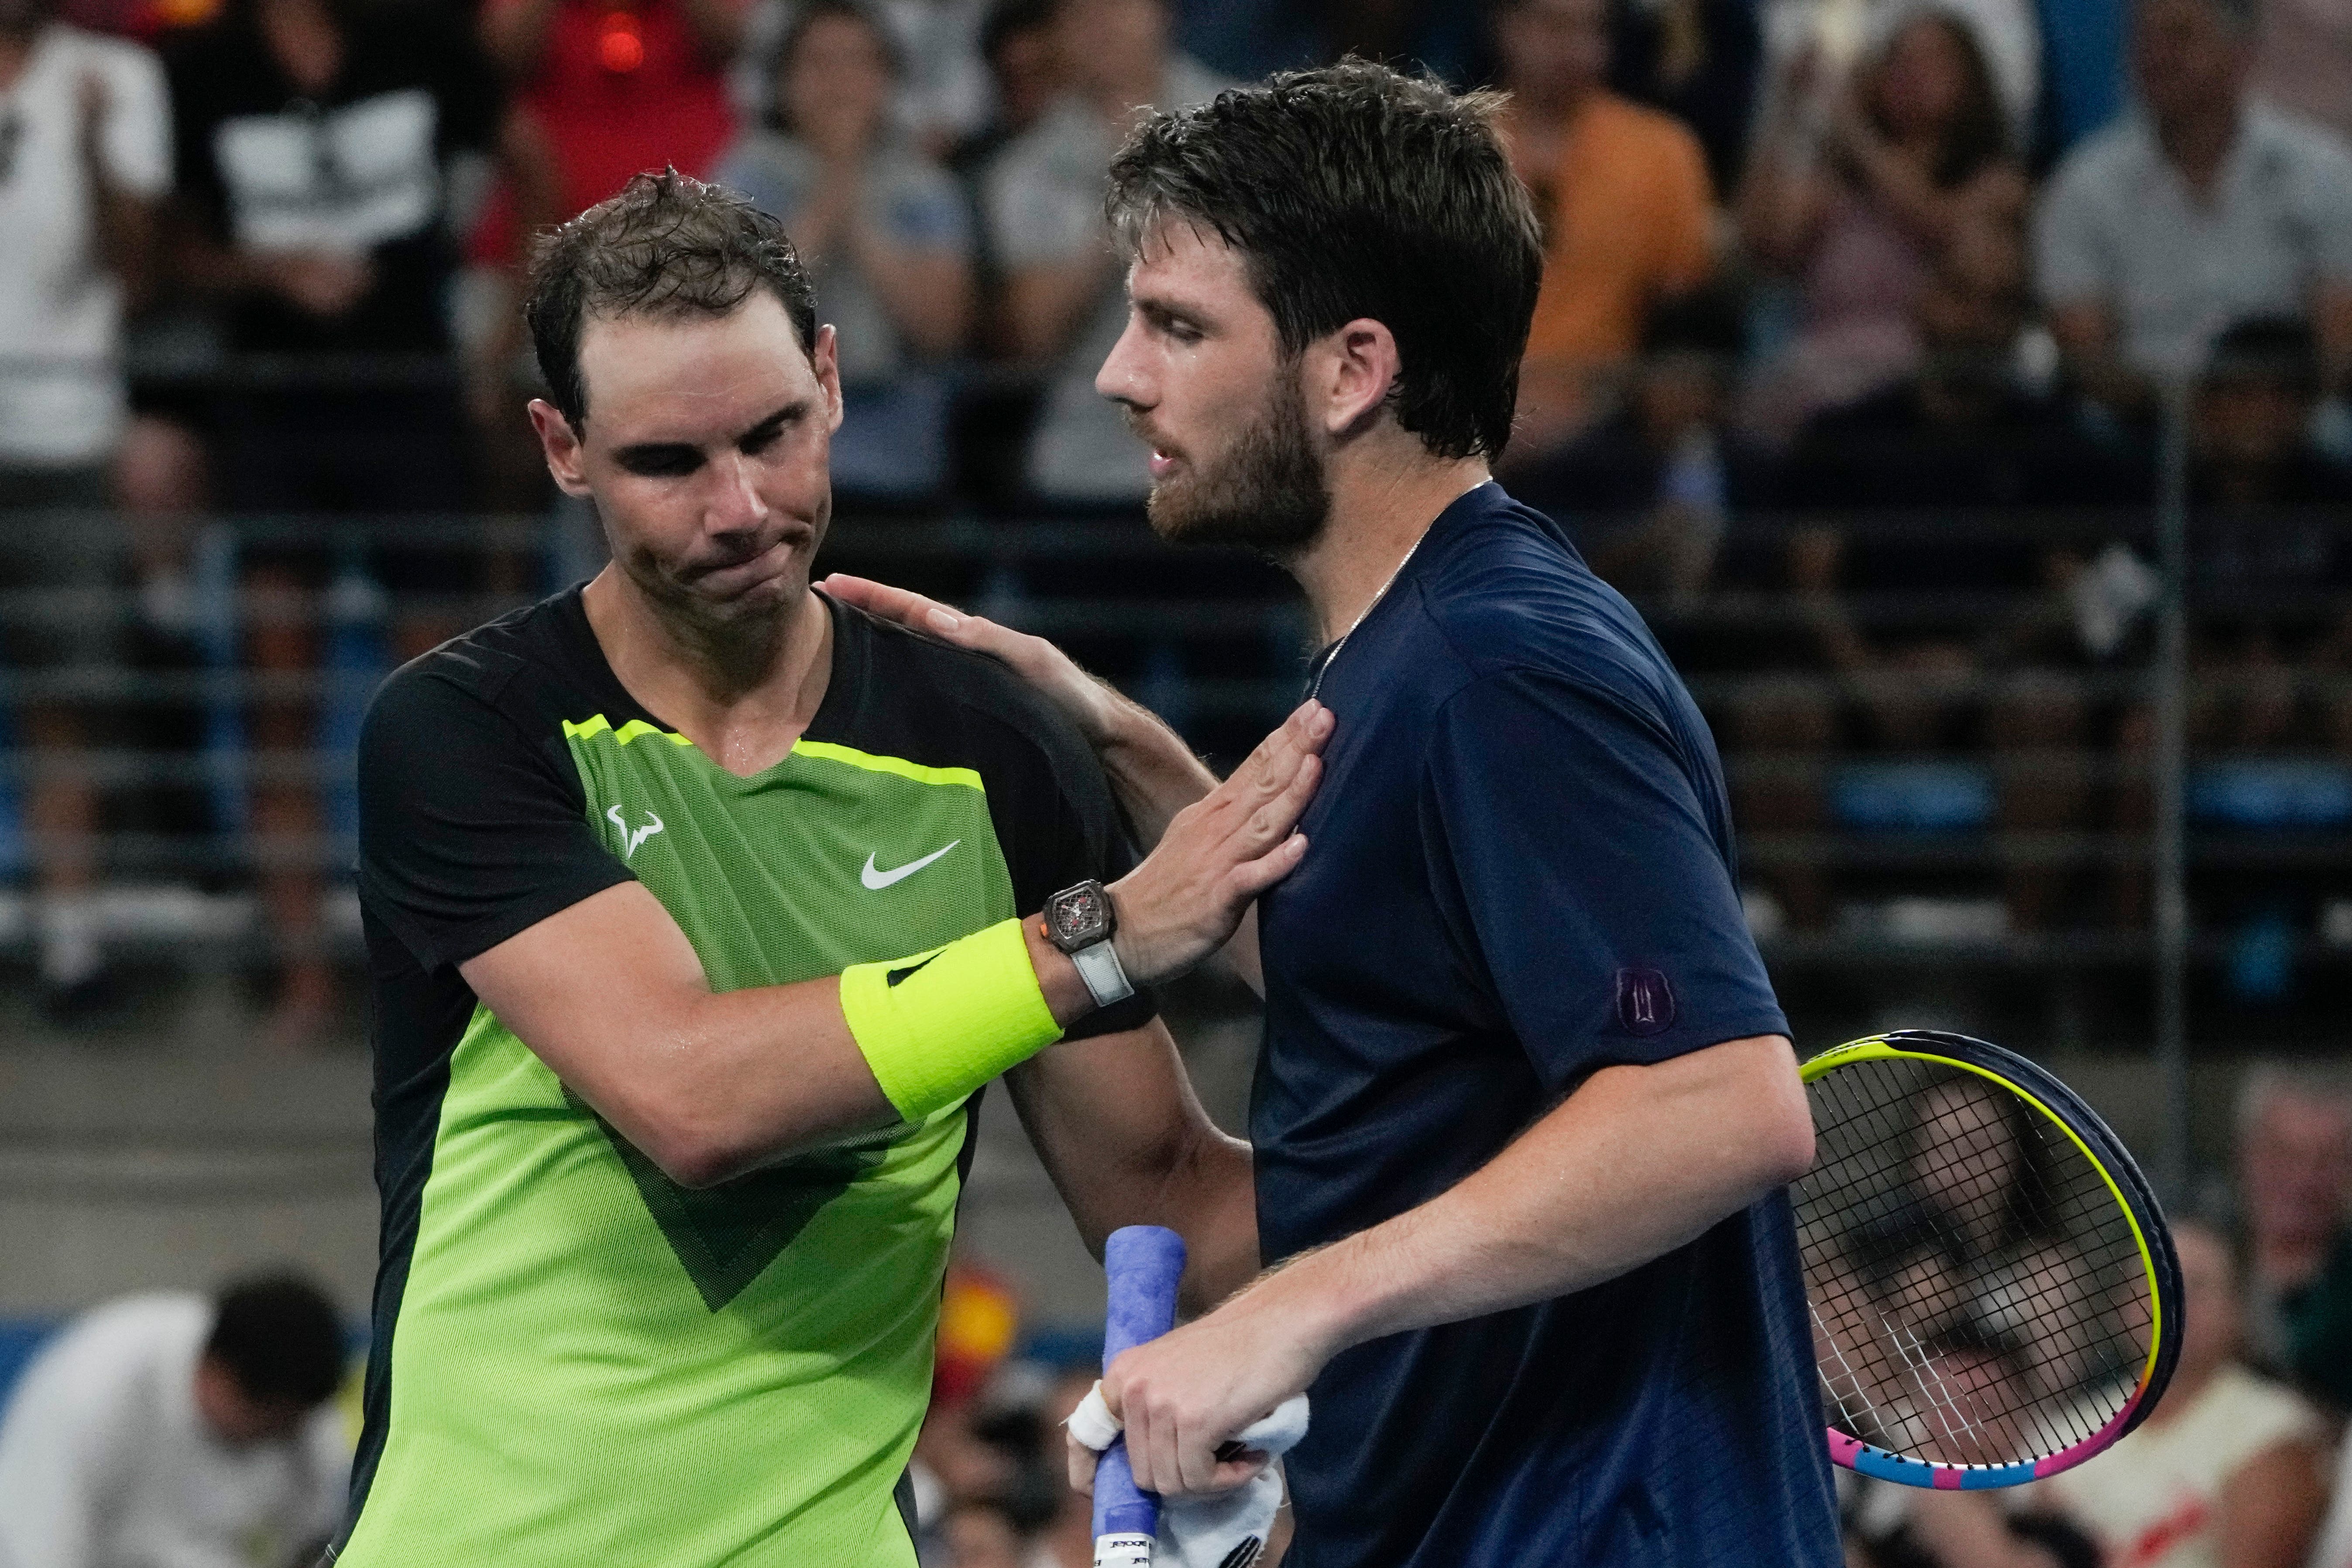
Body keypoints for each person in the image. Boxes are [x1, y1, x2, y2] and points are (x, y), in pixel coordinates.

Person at [830, 62, 1835, 1566]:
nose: (1115, 374)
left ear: (1350, 369)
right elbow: (1403, 995)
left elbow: (1715, 1101)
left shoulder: (1504, 663)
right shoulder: (1407, 653)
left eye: (1175, 325)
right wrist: (1111, 736)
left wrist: (1285, 1313)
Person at [334, 169, 1317, 1564]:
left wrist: (1494, 1179)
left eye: (773, 434)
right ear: (561, 448)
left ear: (832, 379)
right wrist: (1089, 939)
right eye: (667, 464)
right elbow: (689, 1095)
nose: (740, 507)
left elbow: (1171, 1192)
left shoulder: (988, 749)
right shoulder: (467, 729)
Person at [158, 0, 517, 1042]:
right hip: (271, 412)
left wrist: (501, 342)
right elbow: (168, 250)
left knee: (442, 715)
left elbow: (531, 167)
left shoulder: (421, 40)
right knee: (279, 702)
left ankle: (447, 988)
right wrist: (260, 269)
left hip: (413, 405)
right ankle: (306, 981)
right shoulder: (205, 67)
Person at [1776, 225, 2141, 930]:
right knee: (1775, 707)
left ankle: (2022, 962)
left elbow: (2070, 591)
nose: (1972, 321)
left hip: (1997, 682)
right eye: (1958, 295)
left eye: (1996, 303)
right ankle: (1806, 970)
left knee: (2046, 702)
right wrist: (1867, 677)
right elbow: (1806, 584)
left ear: (2018, 323)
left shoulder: (2055, 440)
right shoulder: (1845, 433)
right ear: (1921, 303)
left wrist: (1977, 663)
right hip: (1856, 680)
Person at [0, 0, 167, 1012]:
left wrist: (100, 143)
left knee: (67, 694)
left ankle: (73, 944)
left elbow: (141, 273)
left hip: (67, 425)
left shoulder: (118, 79)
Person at [2034, 0, 2352, 419]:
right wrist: (2199, 418)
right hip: (2140, 424)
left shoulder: (2323, 172)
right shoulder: (2083, 187)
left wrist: (2257, 415)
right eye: (2144, 39)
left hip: (2289, 422)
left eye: (2180, 37)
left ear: (2240, 52)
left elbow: (2339, 343)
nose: (2157, 55)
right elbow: (2086, 355)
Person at [718, 0, 974, 499]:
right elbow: (738, 314)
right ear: (784, 80)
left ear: (888, 79)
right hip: (770, 470)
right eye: (818, 63)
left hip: (901, 470)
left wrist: (854, 201)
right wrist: (832, 186)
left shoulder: (925, 189)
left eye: (857, 62)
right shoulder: (743, 181)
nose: (838, 82)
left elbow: (939, 331)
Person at [979, 0, 1229, 504]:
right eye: (1082, 12)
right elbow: (1035, 335)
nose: (1104, 22)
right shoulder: (1028, 167)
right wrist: (1130, 192)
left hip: (1231, 460)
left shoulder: (1245, 125)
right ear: (1059, 32)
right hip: (1086, 467)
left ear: (1163, 12)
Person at [1738, 7, 2026, 442]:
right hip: (1818, 383)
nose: (1910, 75)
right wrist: (1786, 106)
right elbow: (1765, 239)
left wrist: (1848, 122)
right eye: (1898, 61)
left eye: (1932, 61)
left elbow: (1935, 222)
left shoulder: (1995, 182)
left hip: (1924, 392)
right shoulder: (1843, 187)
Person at [0, 1275, 350, 1568]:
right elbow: (34, 1550)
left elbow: (318, 1539)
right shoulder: (92, 1394)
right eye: (269, 1423)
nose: (279, 1439)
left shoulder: (304, 1415)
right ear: (220, 1376)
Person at [1491, 0, 1717, 454]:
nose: (1573, 49)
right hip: (1466, 420)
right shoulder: (1446, 144)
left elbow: (1687, 317)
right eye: (1553, 26)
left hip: (1609, 427)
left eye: (1591, 29)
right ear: (1506, 27)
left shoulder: (1663, 153)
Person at [2039, 1221, 2327, 1568]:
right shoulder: (2069, 1430)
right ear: (2122, 1307)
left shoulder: (2276, 1429)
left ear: (2236, 1311)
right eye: (2154, 1281)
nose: (2173, 1301)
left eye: (2198, 1286)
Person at [2234, 1065, 2352, 1407]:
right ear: (2245, 1154)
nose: (2302, 1178)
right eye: (2283, 1153)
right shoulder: (2193, 1269)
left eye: (2327, 1158)